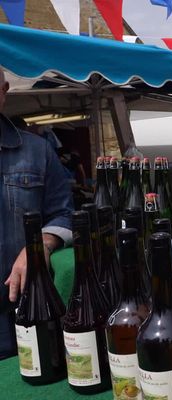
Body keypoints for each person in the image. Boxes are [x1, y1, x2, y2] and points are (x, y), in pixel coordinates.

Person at [0, 69, 73, 358]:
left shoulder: (38, 151)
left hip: (23, 316)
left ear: (4, 92)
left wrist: (40, 244)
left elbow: (65, 214)